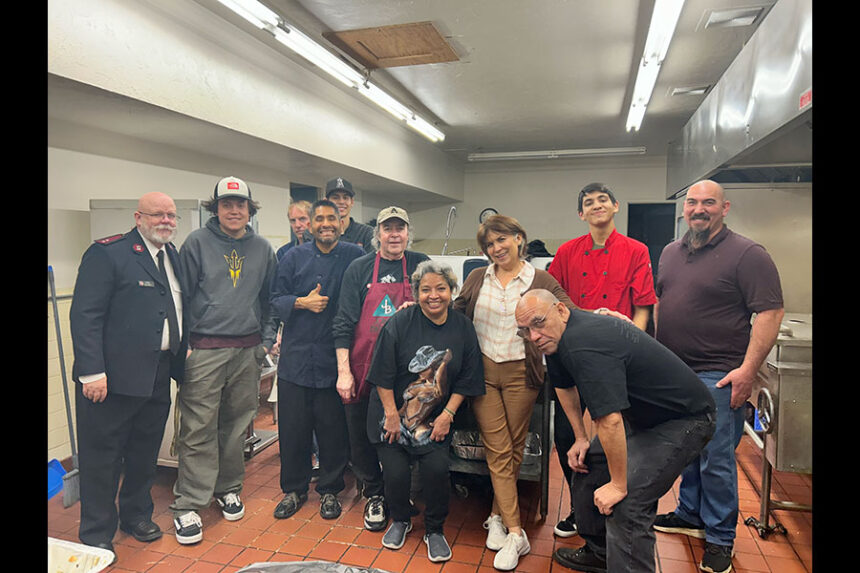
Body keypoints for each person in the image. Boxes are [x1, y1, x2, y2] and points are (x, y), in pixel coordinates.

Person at [516, 290, 716, 573]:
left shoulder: (583, 343)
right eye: (525, 331)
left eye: (538, 323)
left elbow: (609, 420)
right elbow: (564, 386)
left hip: (684, 419)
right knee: (588, 467)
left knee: (628, 503)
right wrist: (581, 438)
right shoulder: (558, 339)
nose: (534, 336)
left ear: (560, 310)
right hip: (643, 417)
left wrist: (619, 484)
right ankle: (602, 554)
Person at [652, 180, 784, 573]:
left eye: (708, 202)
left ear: (724, 208)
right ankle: (690, 514)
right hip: (676, 371)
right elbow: (663, 302)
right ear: (684, 209)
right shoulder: (670, 252)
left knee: (716, 459)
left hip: (721, 374)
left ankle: (720, 539)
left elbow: (770, 313)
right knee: (687, 449)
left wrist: (747, 370)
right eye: (692, 202)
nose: (699, 209)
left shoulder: (747, 254)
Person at [452, 214, 575, 571]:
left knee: (514, 444)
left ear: (519, 238)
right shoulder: (478, 277)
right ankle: (517, 532)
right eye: (489, 244)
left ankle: (496, 514)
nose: (496, 248)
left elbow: (568, 312)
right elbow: (456, 314)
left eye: (502, 240)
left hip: (524, 372)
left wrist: (601, 320)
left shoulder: (541, 278)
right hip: (484, 372)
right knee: (498, 445)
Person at [69, 192, 186, 560]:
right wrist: (91, 372)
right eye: (157, 215)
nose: (165, 221)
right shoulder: (108, 254)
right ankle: (96, 532)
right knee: (102, 457)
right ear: (138, 217)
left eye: (171, 215)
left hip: (157, 373)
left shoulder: (172, 256)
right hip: (111, 380)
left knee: (143, 453)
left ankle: (136, 516)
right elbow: (85, 315)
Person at [546, 182, 658, 543]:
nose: (596, 206)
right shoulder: (566, 252)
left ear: (615, 206)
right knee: (568, 435)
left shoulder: (636, 250)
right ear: (581, 214)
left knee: (614, 435)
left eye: (602, 200)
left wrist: (634, 347)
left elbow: (642, 305)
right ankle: (581, 506)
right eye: (588, 203)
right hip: (574, 354)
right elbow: (554, 301)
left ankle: (613, 506)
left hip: (615, 357)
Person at [170, 176, 279, 545]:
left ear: (250, 210)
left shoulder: (263, 248)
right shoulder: (196, 243)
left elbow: (270, 301)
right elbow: (179, 297)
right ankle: (189, 503)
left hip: (247, 351)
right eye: (226, 204)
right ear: (214, 209)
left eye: (241, 205)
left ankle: (228, 487)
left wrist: (263, 344)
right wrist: (184, 346)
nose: (234, 211)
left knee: (236, 427)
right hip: (204, 350)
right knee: (198, 427)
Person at [365, 260, 485, 563]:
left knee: (435, 472)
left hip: (435, 421)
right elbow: (382, 373)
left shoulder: (462, 327)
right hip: (390, 414)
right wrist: (392, 415)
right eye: (426, 289)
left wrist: (447, 416)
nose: (434, 295)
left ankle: (434, 529)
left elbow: (468, 378)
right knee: (394, 474)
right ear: (416, 293)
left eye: (441, 288)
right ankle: (401, 521)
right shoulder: (400, 322)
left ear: (451, 291)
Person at [332, 206, 430, 532]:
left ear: (407, 232)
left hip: (408, 372)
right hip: (363, 366)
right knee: (360, 434)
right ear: (378, 234)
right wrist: (344, 371)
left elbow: (443, 306)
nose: (394, 235)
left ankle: (400, 492)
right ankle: (373, 493)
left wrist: (419, 305)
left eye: (399, 228)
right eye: (387, 229)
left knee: (406, 432)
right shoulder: (359, 269)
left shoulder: (421, 264)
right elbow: (343, 322)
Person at [270, 199, 365, 521]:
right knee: (293, 431)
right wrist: (301, 303)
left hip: (334, 361)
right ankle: (294, 490)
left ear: (342, 222)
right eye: (319, 219)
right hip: (296, 361)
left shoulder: (355, 256)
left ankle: (329, 491)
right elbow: (275, 299)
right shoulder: (292, 257)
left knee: (332, 431)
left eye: (332, 218)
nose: (326, 223)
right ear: (309, 225)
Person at [325, 177, 375, 253]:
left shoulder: (366, 233)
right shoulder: (319, 232)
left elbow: (371, 263)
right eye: (335, 197)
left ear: (352, 202)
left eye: (345, 197)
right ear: (326, 202)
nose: (341, 201)